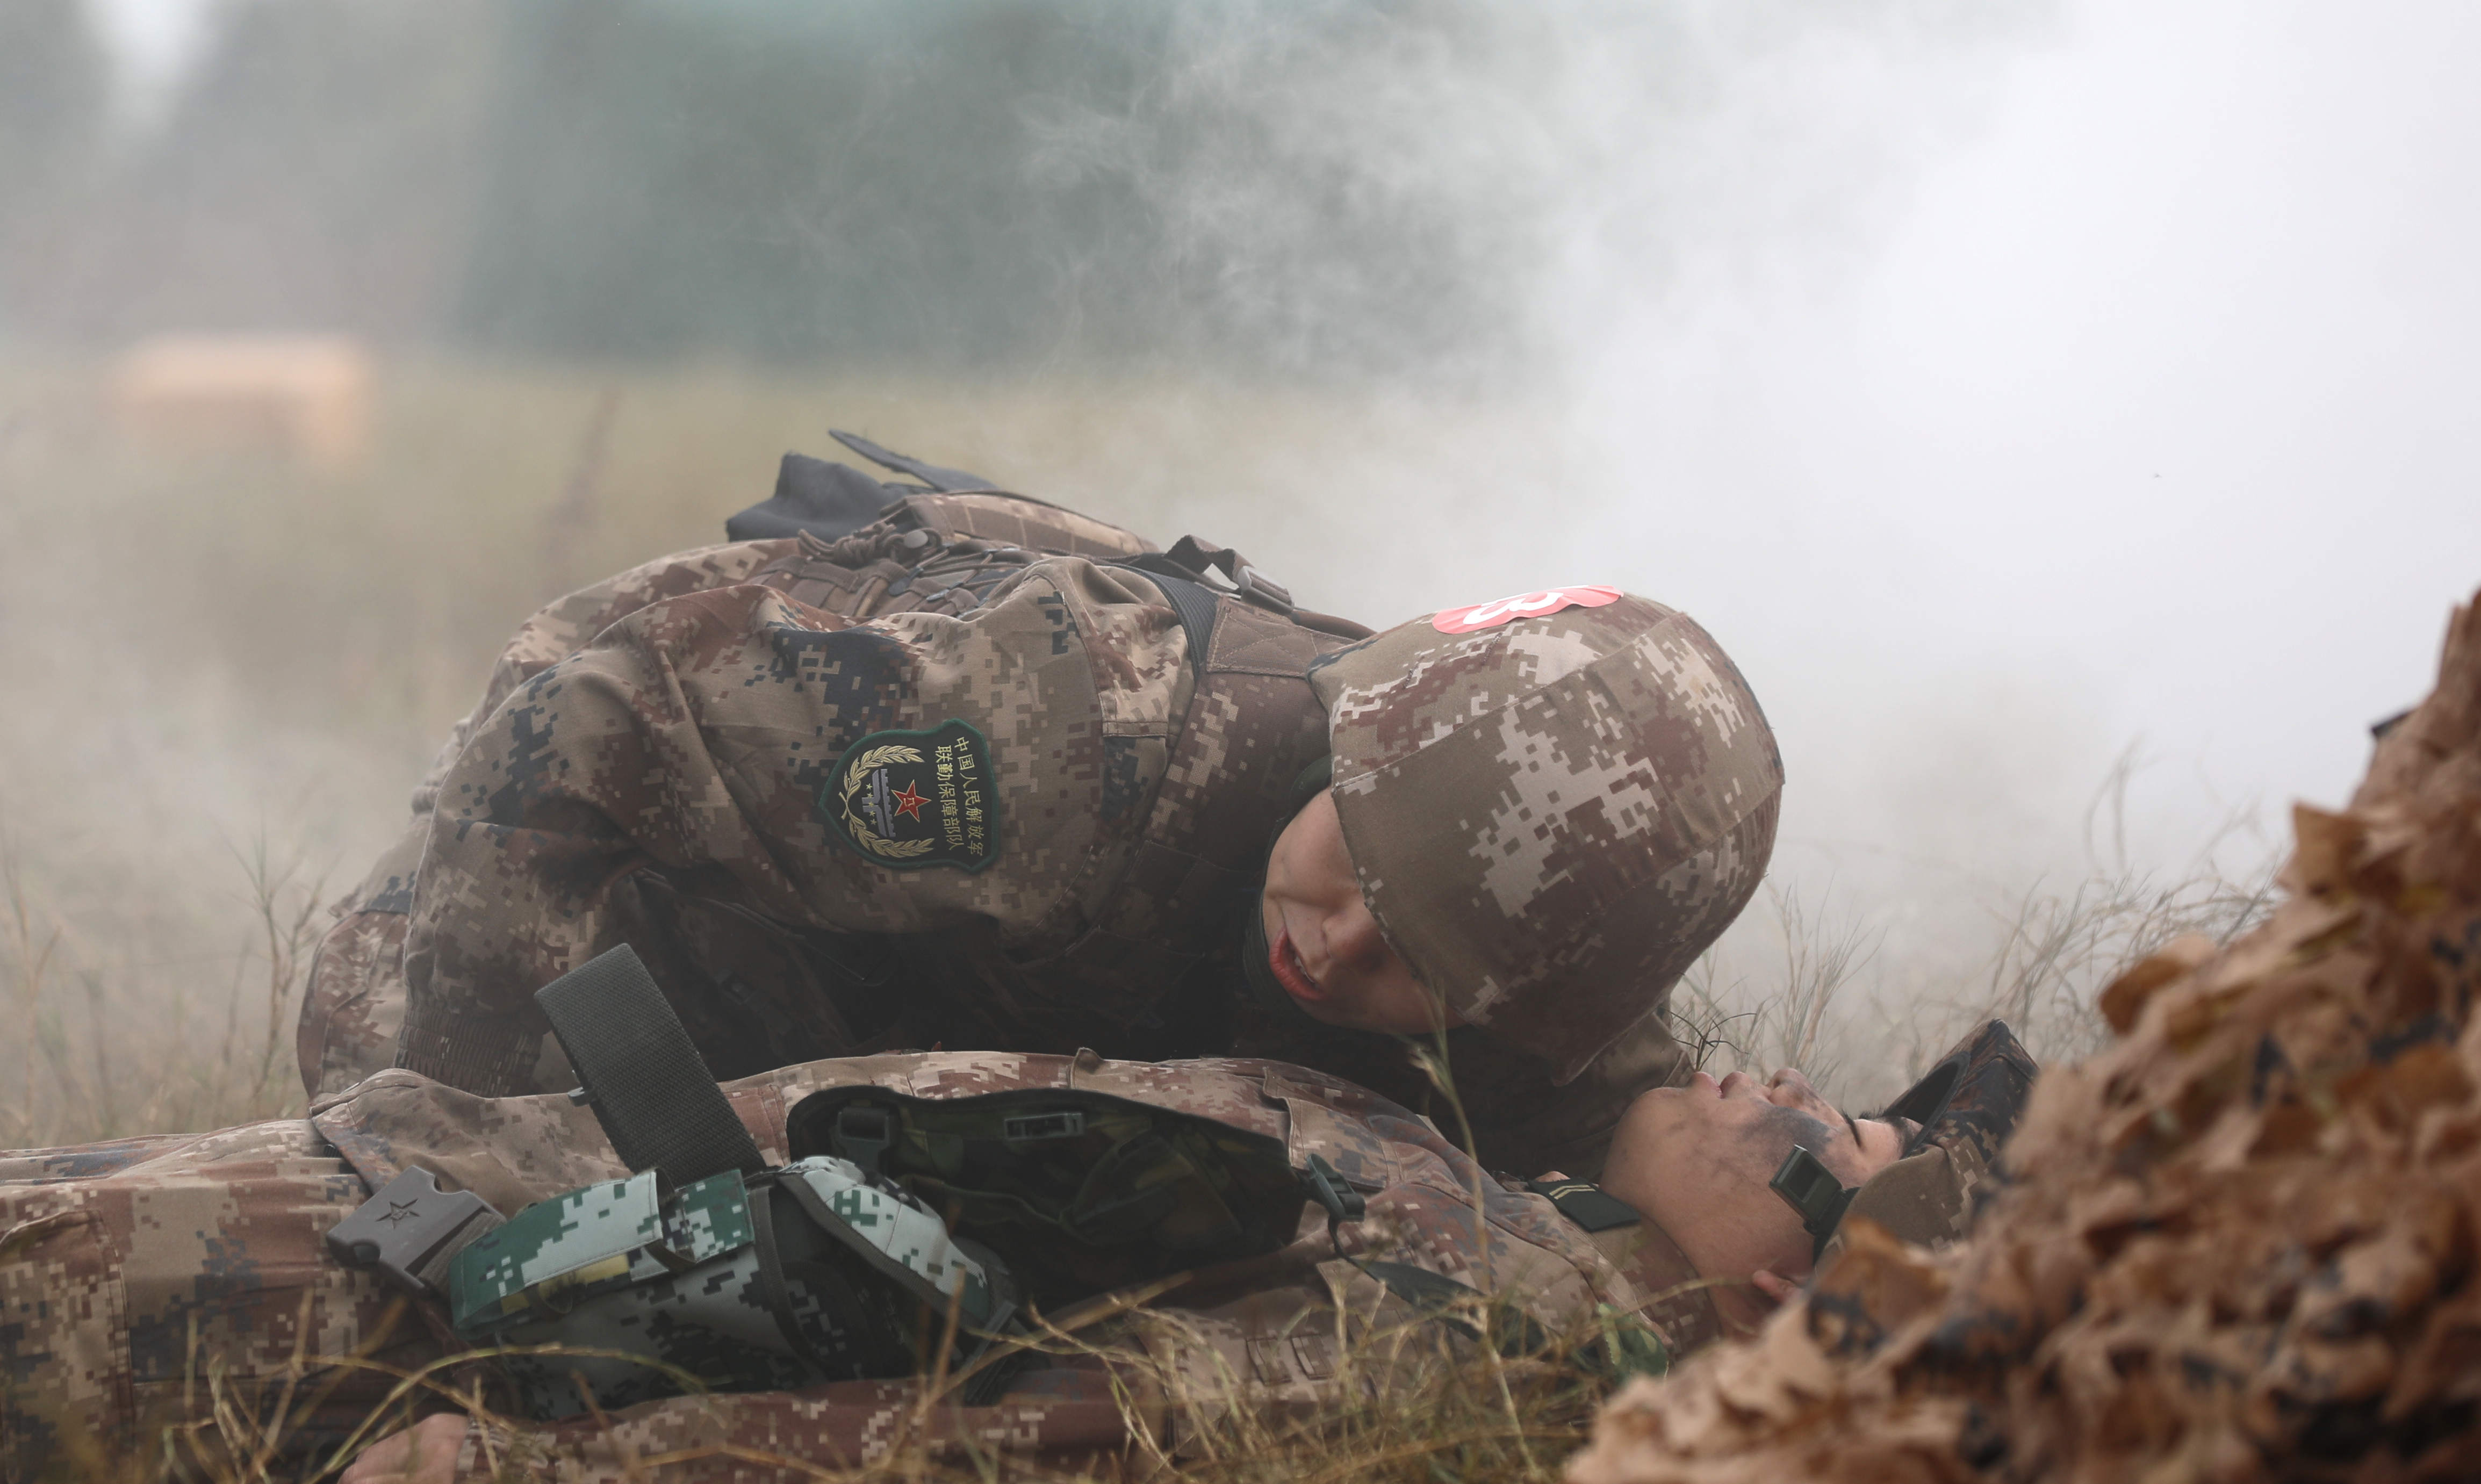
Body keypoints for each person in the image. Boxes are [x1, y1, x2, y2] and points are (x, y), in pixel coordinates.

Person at [303, 436, 1786, 1182]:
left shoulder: (1503, 908)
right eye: (1356, 869)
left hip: (918, 980)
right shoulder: (1071, 743)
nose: (1334, 948)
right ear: (1353, 747)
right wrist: (458, 1209)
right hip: (578, 886)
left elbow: (1583, 1086)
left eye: (1417, 966)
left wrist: (1657, 1158)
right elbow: (570, 729)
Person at [0, 1021, 2033, 1483]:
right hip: (418, 1173)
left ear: (1793, 1287)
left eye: (1816, 1131)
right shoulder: (1496, 1196)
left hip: (391, 1305)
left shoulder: (1482, 1327)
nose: (1765, 1075)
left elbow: (999, 1443)